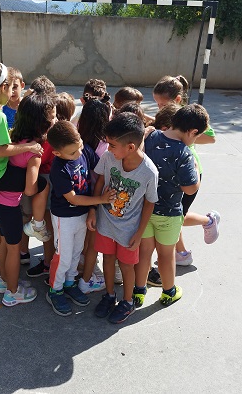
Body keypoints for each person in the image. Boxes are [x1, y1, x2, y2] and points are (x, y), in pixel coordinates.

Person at [0, 63, 49, 305]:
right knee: (41, 184)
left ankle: (5, 281)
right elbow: (0, 149)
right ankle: (13, 292)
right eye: (10, 88)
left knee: (5, 241)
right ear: (3, 87)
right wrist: (30, 147)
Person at [134, 104, 210, 307]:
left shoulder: (150, 136)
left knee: (144, 252)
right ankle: (169, 292)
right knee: (166, 255)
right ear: (192, 132)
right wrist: (196, 171)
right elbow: (190, 189)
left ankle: (138, 291)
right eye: (196, 137)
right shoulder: (184, 152)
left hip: (144, 209)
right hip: (169, 214)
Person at [88, 112, 159, 324]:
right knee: (108, 259)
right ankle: (109, 295)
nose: (108, 148)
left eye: (111, 145)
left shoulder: (149, 172)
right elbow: (100, 181)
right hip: (106, 222)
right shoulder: (109, 157)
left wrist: (140, 233)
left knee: (127, 266)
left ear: (130, 147)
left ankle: (127, 302)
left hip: (129, 230)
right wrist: (93, 209)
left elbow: (150, 202)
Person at [149, 76, 219, 277]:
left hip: (187, 171)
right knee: (171, 214)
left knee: (175, 215)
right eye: (157, 103)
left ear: (178, 100)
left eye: (162, 104)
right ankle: (181, 253)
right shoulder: (170, 118)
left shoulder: (189, 117)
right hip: (170, 168)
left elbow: (211, 137)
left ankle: (207, 221)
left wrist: (187, 139)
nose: (159, 107)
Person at [45, 120, 116, 316]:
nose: (78, 154)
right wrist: (100, 200)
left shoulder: (83, 151)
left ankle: (69, 283)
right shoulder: (58, 169)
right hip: (64, 218)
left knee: (76, 253)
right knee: (63, 257)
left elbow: (99, 167)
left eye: (80, 146)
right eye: (72, 153)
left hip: (82, 214)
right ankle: (55, 290)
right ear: (57, 153)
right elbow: (73, 199)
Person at [76, 97, 111, 291]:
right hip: (99, 198)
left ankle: (80, 266)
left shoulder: (77, 139)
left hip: (80, 193)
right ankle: (87, 279)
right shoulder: (106, 145)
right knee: (93, 242)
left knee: (82, 237)